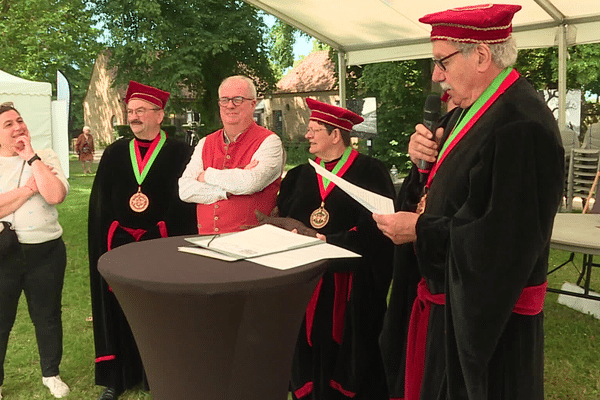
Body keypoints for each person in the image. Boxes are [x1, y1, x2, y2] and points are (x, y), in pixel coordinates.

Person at [373, 4, 564, 400]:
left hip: (492, 326)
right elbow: (439, 194)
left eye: (442, 61)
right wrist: (420, 166)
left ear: (480, 55)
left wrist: (419, 230)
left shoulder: (522, 123)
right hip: (451, 310)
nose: (435, 75)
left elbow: (504, 242)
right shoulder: (465, 112)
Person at [260, 98, 395, 399]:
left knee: (348, 351)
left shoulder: (370, 172)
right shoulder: (299, 176)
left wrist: (327, 243)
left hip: (349, 287)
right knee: (305, 348)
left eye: (314, 129)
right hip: (305, 281)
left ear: (336, 135)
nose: (307, 135)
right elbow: (284, 216)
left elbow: (378, 229)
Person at [88, 81, 197, 400]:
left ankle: (159, 374)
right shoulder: (115, 152)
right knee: (119, 307)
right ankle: (117, 378)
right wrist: (116, 232)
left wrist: (158, 231)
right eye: (131, 111)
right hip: (119, 245)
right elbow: (101, 202)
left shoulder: (181, 152)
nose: (133, 116)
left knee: (158, 311)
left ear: (160, 114)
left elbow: (186, 201)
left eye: (141, 111)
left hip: (163, 246)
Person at [0, 102, 70, 399]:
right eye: (8, 124)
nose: (18, 127)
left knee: (47, 315)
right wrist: (29, 189)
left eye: (20, 120)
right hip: (5, 254)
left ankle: (51, 374)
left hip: (47, 253)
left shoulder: (46, 156)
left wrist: (31, 157)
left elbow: (54, 194)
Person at [178, 75, 284, 234]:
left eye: (238, 99)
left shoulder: (270, 142)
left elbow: (250, 183)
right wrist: (226, 191)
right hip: (206, 242)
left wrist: (206, 175)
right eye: (224, 100)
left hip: (253, 244)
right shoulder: (205, 143)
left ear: (253, 104)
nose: (230, 105)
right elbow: (185, 190)